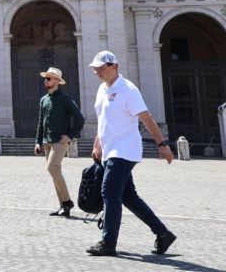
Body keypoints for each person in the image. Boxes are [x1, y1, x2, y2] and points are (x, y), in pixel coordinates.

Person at [86, 50, 176, 257]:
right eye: (95, 69)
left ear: (114, 66)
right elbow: (102, 121)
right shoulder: (101, 89)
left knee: (109, 191)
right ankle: (163, 234)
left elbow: (146, 117)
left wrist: (162, 143)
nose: (98, 72)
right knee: (128, 196)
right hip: (109, 150)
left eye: (101, 68)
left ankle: (108, 243)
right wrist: (97, 145)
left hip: (124, 149)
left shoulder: (128, 89)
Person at [32, 66, 84, 217]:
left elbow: (79, 118)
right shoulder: (43, 100)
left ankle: (67, 201)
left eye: (49, 78)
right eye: (45, 78)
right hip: (47, 141)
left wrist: (71, 135)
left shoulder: (65, 98)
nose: (46, 80)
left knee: (52, 168)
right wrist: (38, 141)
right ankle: (63, 206)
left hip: (60, 141)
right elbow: (41, 122)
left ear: (57, 81)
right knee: (55, 172)